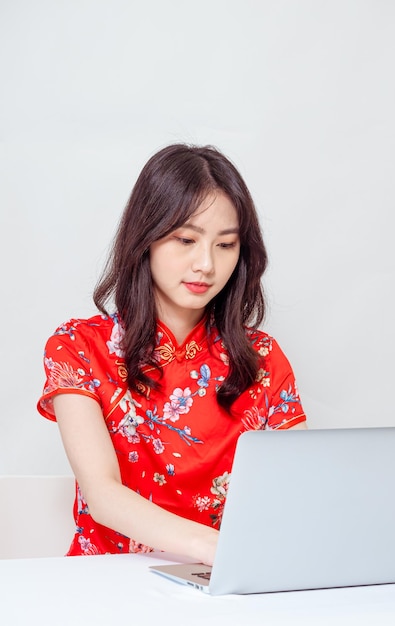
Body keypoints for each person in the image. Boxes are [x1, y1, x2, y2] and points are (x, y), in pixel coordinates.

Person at [37, 143, 307, 565]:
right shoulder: (79, 347)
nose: (206, 264)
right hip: (108, 582)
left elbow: (301, 487)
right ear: (146, 237)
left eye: (226, 245)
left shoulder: (262, 359)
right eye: (186, 239)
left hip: (227, 581)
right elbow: (103, 495)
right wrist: (215, 550)